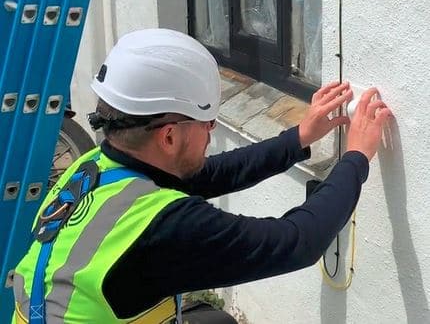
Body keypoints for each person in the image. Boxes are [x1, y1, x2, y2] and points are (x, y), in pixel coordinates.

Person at [12, 29, 392, 324]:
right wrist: (357, 156)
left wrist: (299, 137)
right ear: (170, 135)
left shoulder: (94, 168)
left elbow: (214, 173)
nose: (212, 133)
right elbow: (298, 242)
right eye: (207, 123)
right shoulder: (164, 228)